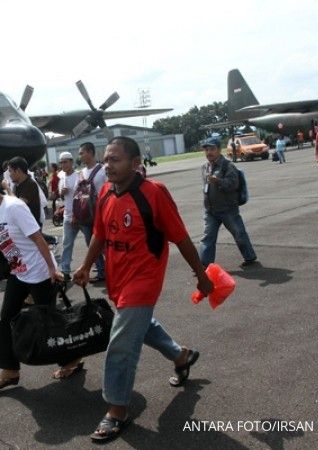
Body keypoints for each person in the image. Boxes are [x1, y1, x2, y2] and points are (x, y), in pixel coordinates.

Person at [72, 137, 213, 443]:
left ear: (136, 164)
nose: (108, 165)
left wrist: (201, 274)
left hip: (144, 278)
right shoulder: (106, 192)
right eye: (106, 160)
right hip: (117, 278)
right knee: (140, 325)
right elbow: (99, 234)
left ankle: (116, 411)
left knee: (121, 343)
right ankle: (181, 356)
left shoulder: (154, 193)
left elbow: (181, 237)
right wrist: (85, 266)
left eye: (116, 160)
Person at [0, 168, 67, 390]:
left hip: (40, 273)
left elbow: (39, 239)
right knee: (6, 320)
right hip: (18, 273)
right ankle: (10, 370)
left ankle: (71, 360)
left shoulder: (14, 207)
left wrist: (52, 269)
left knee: (48, 322)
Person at [199, 136, 258, 267]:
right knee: (208, 237)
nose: (209, 152)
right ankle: (204, 264)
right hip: (211, 210)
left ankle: (249, 257)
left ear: (219, 149)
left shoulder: (228, 166)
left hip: (228, 209)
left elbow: (233, 184)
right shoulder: (204, 167)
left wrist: (218, 181)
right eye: (206, 149)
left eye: (212, 149)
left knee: (239, 233)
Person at [76, 142, 106, 282]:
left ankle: (114, 268)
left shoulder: (103, 170)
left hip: (102, 213)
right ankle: (101, 271)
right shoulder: (81, 173)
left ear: (90, 152)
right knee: (91, 245)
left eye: (82, 153)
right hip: (86, 215)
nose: (80, 156)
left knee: (106, 244)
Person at [56, 151, 79, 281]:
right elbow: (60, 196)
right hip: (67, 215)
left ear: (71, 162)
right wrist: (61, 193)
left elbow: (82, 196)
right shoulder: (61, 177)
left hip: (80, 216)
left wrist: (76, 214)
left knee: (91, 242)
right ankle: (65, 271)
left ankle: (102, 267)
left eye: (65, 162)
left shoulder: (78, 176)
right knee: (66, 243)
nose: (63, 164)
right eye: (61, 162)